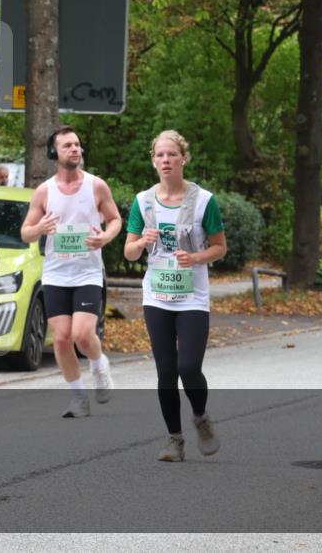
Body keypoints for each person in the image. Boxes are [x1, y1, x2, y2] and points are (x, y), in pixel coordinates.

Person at [123, 129, 227, 462]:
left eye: (171, 154)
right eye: (160, 155)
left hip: (192, 296)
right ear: (153, 161)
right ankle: (174, 439)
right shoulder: (143, 201)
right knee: (166, 371)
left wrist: (195, 258)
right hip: (157, 294)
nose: (165, 160)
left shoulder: (204, 201)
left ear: (184, 158)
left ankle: (200, 416)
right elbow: (128, 252)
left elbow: (220, 247)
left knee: (188, 367)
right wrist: (140, 243)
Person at [21, 126, 120, 418]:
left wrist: (105, 237)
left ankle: (99, 365)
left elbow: (114, 220)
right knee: (62, 338)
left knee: (81, 334)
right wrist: (39, 229)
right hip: (56, 274)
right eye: (67, 145)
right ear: (54, 152)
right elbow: (26, 232)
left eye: (77, 144)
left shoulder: (96, 186)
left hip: (87, 272)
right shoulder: (44, 191)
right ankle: (78, 398)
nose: (75, 149)